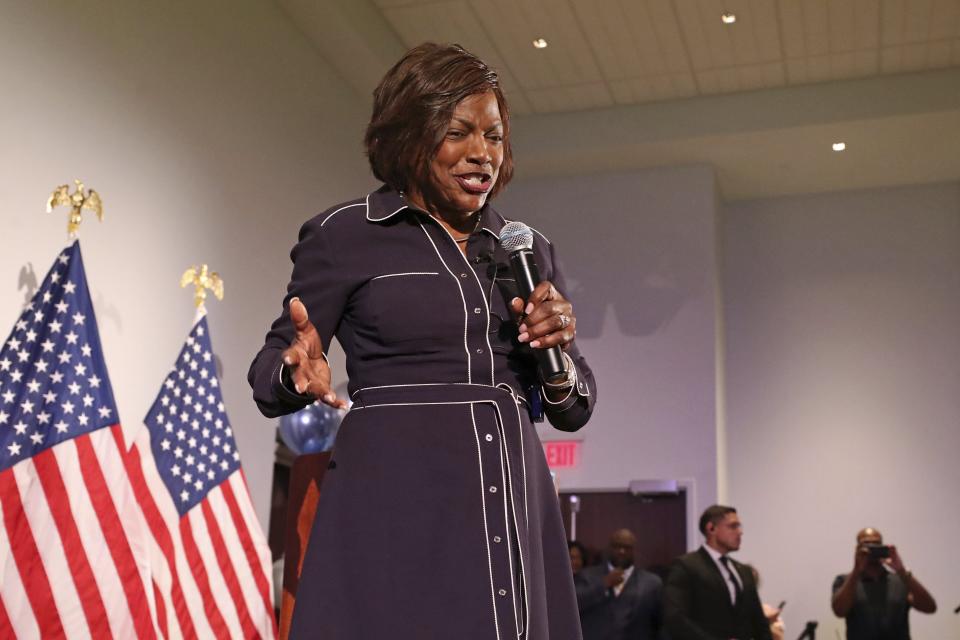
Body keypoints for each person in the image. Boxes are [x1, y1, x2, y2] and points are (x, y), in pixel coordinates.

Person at [248, 42, 596, 640]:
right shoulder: (345, 235)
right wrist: (294, 369)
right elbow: (270, 374)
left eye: (495, 136)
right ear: (411, 134)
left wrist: (555, 352)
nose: (481, 154)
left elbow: (574, 409)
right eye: (459, 132)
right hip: (397, 499)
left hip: (512, 496)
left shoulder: (525, 247)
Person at [663, 505, 773, 640]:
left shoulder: (744, 572)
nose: (740, 532)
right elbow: (675, 617)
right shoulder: (686, 566)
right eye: (733, 526)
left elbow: (758, 622)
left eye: (739, 527)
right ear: (711, 528)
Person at [831, 527, 936, 640]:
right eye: (866, 544)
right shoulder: (845, 581)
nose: (871, 548)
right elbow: (839, 611)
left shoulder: (901, 580)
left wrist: (901, 570)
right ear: (858, 549)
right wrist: (856, 570)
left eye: (876, 544)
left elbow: (930, 607)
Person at [575, 529, 664, 640]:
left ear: (634, 551)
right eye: (617, 546)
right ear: (609, 548)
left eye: (627, 547)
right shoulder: (587, 576)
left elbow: (660, 625)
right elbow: (574, 605)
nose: (622, 551)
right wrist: (603, 584)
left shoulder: (652, 584)